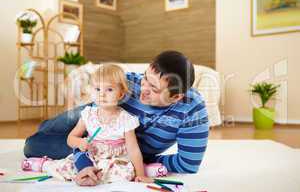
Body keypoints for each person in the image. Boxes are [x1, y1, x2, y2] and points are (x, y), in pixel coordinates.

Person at [24, 50, 209, 186]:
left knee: (32, 145)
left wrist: (141, 161)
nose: (143, 89)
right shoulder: (128, 83)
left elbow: (188, 164)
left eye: (154, 89)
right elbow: (98, 99)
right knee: (49, 128)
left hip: (103, 147)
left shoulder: (192, 111)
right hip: (95, 115)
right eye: (145, 78)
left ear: (176, 97)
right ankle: (46, 126)